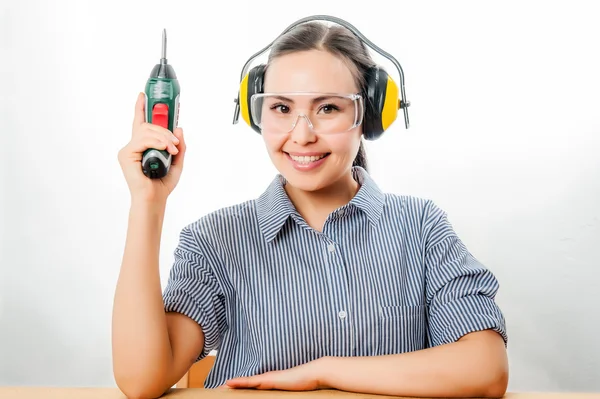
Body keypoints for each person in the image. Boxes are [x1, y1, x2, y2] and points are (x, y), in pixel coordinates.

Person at [112, 16, 509, 399]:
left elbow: (486, 368)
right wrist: (148, 202)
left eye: (329, 108)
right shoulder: (215, 241)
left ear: (369, 115)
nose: (301, 135)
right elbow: (141, 380)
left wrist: (324, 372)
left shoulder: (420, 226)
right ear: (257, 114)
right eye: (281, 108)